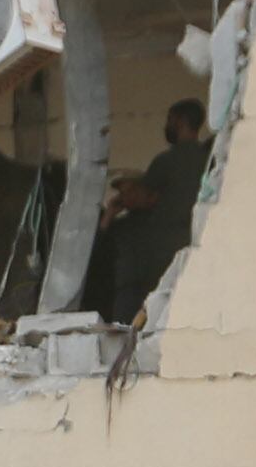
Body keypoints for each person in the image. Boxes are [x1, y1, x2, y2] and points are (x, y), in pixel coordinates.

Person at [86, 98, 214, 327]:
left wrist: (117, 207)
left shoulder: (167, 162)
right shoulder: (207, 159)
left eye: (170, 121)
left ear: (181, 122)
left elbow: (144, 195)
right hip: (192, 251)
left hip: (153, 268)